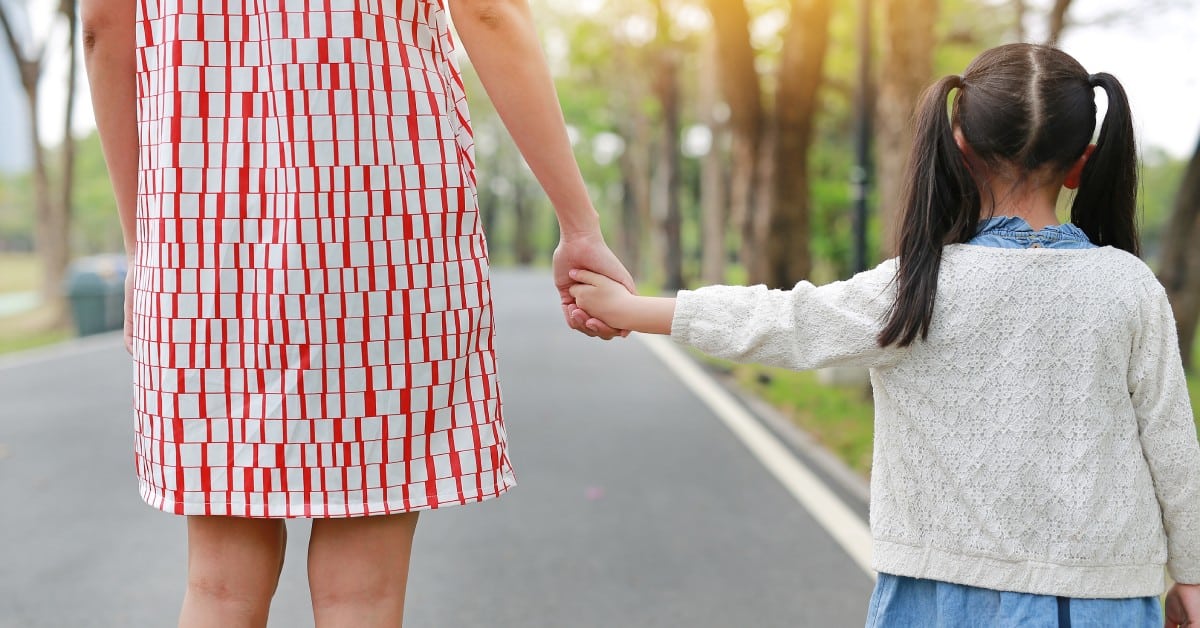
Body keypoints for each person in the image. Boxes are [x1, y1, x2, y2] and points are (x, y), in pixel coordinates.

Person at [568, 43, 1200, 628]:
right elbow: (1172, 443)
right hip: (1103, 595)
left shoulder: (918, 288)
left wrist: (631, 309)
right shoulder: (1129, 285)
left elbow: (786, 322)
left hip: (939, 588)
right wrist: (1192, 577)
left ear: (959, 147)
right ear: (1082, 164)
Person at [80, 0, 632, 626]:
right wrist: (578, 225)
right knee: (361, 594)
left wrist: (142, 245)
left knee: (219, 588)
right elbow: (490, 14)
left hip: (203, 241)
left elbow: (105, 29)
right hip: (380, 232)